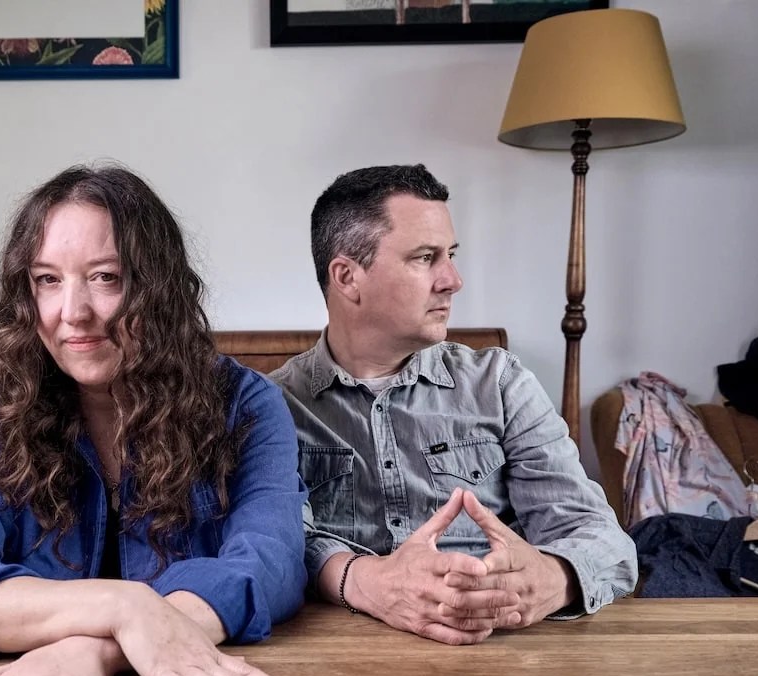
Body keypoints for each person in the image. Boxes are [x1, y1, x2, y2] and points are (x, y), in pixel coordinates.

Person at [0, 164, 307, 676]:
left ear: (159, 289)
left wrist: (100, 653)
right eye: (47, 280)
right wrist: (120, 605)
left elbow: (271, 564)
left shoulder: (243, 404)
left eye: (106, 278)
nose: (73, 312)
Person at [270, 164, 637, 646]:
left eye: (451, 255)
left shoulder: (501, 384)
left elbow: (603, 540)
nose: (453, 280)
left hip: (503, 656)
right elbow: (273, 546)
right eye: (426, 257)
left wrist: (553, 578)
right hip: (343, 663)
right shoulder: (274, 406)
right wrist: (364, 580)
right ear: (347, 277)